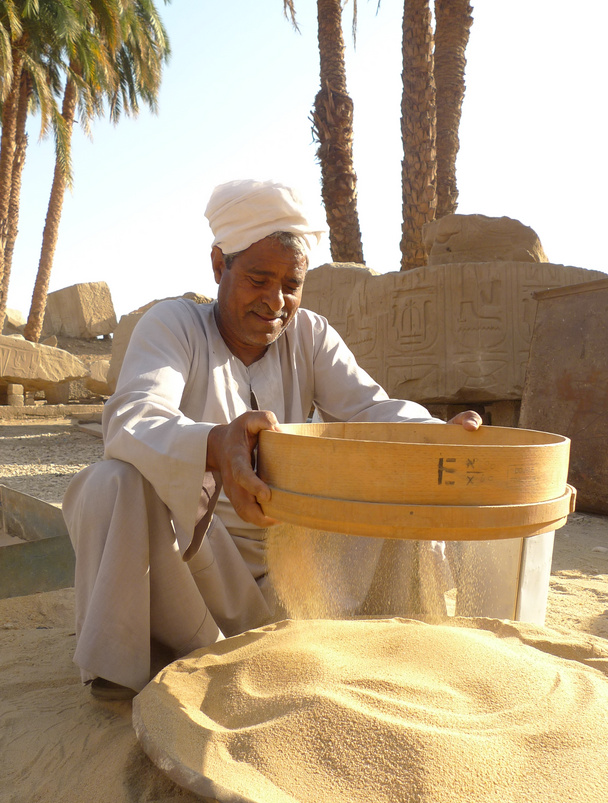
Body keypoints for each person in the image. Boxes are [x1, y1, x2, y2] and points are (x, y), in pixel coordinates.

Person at [63, 179, 482, 699]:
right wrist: (216, 445)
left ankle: (372, 649)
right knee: (110, 482)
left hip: (294, 563)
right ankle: (129, 671)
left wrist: (433, 435)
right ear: (220, 266)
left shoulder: (309, 334)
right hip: (197, 563)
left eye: (291, 284)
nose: (276, 300)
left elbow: (369, 408)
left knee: (395, 475)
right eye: (259, 279)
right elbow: (133, 417)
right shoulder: (174, 325)